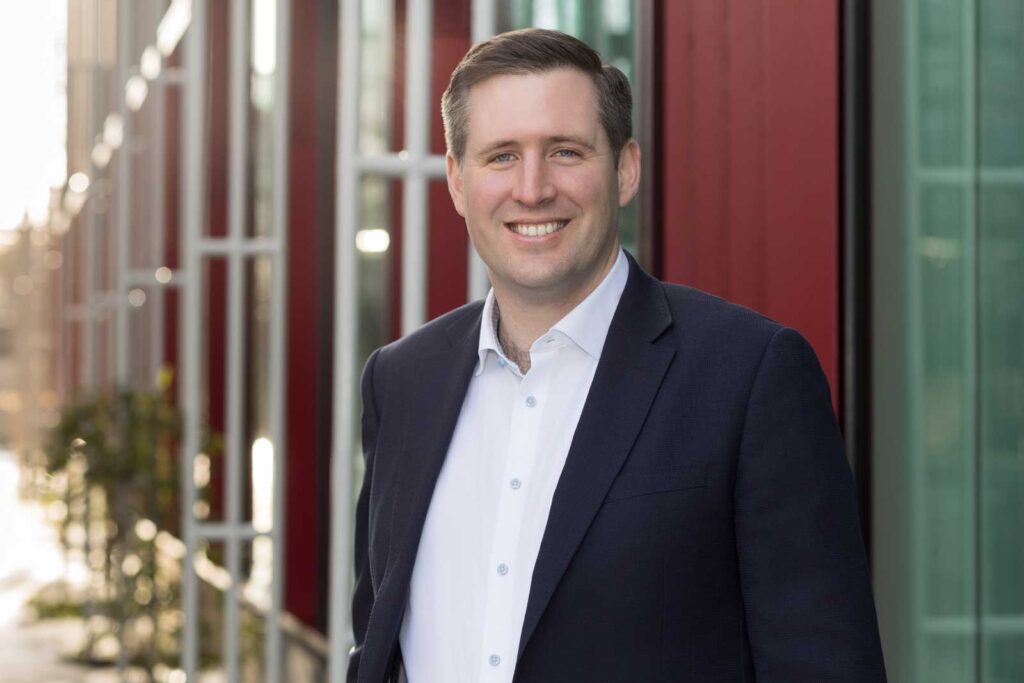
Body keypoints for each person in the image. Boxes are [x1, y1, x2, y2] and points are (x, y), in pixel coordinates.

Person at [348, 28, 886, 683]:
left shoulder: (750, 377)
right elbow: (377, 642)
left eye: (565, 151)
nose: (532, 188)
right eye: (501, 156)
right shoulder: (401, 381)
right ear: (458, 181)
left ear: (625, 169)